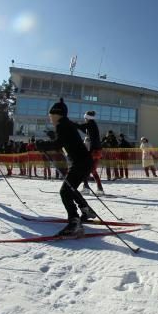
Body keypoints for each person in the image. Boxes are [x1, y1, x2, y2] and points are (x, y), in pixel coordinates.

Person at [35, 98, 97, 237]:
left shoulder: (62, 125)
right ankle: (86, 209)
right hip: (84, 162)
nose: (50, 118)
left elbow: (58, 144)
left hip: (80, 162)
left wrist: (42, 145)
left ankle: (74, 223)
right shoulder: (65, 124)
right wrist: (51, 138)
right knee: (71, 188)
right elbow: (63, 141)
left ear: (58, 114)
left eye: (51, 115)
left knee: (65, 192)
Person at [75, 110, 105, 195]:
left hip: (94, 151)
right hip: (97, 150)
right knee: (92, 170)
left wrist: (69, 123)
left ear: (87, 118)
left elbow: (80, 126)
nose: (84, 119)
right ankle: (100, 189)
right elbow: (83, 129)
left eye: (85, 118)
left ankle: (86, 188)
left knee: (85, 168)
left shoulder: (90, 123)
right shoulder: (92, 125)